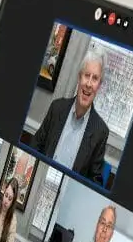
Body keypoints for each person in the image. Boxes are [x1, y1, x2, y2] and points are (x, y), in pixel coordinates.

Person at [34, 50, 111, 182]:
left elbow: (95, 179)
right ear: (79, 77)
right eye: (87, 75)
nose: (89, 84)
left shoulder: (101, 132)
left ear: (99, 86)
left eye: (95, 78)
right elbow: (35, 146)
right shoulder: (56, 108)